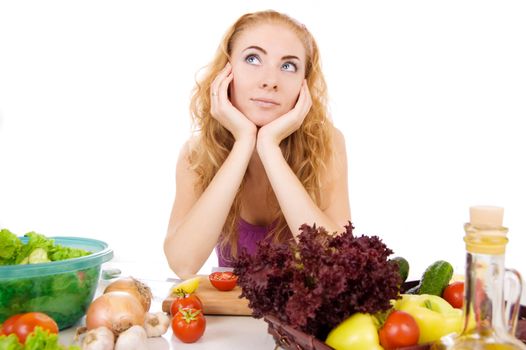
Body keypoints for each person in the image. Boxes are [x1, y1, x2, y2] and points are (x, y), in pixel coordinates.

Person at [164, 10, 351, 278]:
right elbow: (183, 263)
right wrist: (243, 142)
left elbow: (339, 263)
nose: (270, 81)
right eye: (253, 59)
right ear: (226, 72)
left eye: (288, 66)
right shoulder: (196, 154)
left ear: (304, 84)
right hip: (231, 319)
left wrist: (269, 147)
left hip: (299, 321)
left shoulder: (328, 144)